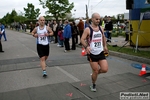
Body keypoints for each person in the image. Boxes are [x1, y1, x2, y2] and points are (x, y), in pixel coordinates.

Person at [81, 13, 108, 92]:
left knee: (104, 69)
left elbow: (103, 37)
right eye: (96, 19)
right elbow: (82, 39)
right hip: (92, 54)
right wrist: (87, 47)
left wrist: (105, 46)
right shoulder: (88, 29)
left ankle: (93, 75)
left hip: (100, 52)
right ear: (92, 19)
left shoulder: (101, 28)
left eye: (99, 19)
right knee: (95, 70)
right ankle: (93, 84)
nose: (98, 20)